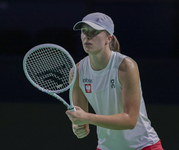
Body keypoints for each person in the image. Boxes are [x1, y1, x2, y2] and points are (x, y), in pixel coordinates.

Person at [66, 12, 163, 150]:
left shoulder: (125, 66)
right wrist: (78, 125)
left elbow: (130, 120)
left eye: (94, 32)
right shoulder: (77, 72)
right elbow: (81, 117)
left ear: (109, 38)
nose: (87, 36)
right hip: (107, 147)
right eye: (83, 31)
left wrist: (87, 118)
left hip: (143, 145)